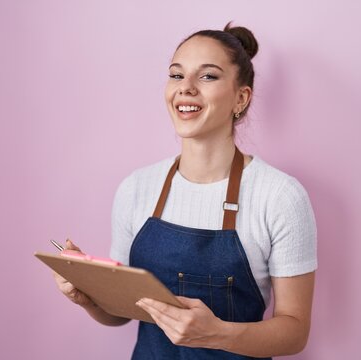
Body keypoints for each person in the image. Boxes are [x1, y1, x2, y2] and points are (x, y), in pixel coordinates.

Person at [54, 22, 317, 359]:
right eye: (177, 75)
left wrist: (218, 334)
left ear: (241, 97)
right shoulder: (136, 188)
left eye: (207, 76)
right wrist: (87, 295)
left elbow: (294, 331)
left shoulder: (280, 196)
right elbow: (121, 313)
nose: (185, 88)